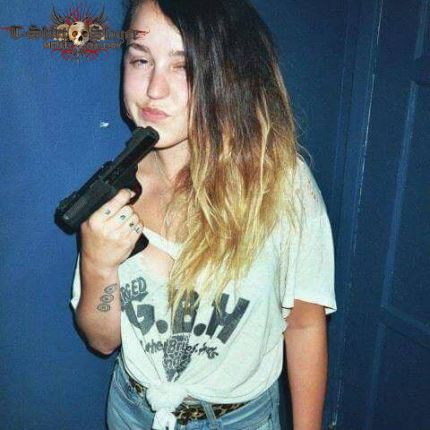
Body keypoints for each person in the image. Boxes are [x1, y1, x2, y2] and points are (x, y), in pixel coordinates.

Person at [70, 0, 338, 429]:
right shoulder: (115, 187)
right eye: (141, 60)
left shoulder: (282, 184)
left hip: (239, 420)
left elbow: (305, 326)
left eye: (184, 66)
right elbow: (102, 341)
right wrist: (97, 263)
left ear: (230, 75)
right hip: (132, 411)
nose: (154, 89)